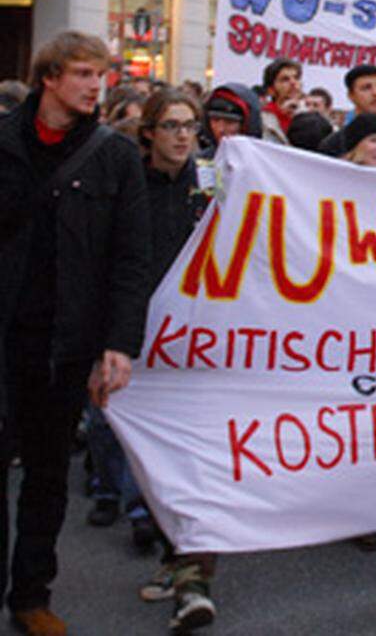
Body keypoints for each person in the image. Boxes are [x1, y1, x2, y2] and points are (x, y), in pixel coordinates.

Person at [0, 31, 151, 636]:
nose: (96, 86)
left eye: (102, 74)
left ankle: (31, 595)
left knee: (46, 475)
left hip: (66, 345)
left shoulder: (115, 156)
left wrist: (118, 343)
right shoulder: (4, 141)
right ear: (50, 78)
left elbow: (130, 258)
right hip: (5, 337)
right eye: (84, 73)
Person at [130, 89, 220, 633]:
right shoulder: (126, 184)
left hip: (202, 345)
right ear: (148, 133)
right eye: (171, 126)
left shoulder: (212, 184)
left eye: (190, 127)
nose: (183, 136)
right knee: (154, 465)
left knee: (195, 464)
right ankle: (175, 557)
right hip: (139, 343)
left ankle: (193, 581)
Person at [199, 83, 263, 156]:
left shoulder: (262, 163)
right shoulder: (199, 163)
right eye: (215, 120)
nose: (220, 129)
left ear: (246, 126)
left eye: (229, 122)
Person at [259, 59, 303, 144]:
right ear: (270, 90)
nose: (293, 83)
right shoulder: (261, 120)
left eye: (296, 78)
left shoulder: (311, 117)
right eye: (285, 79)